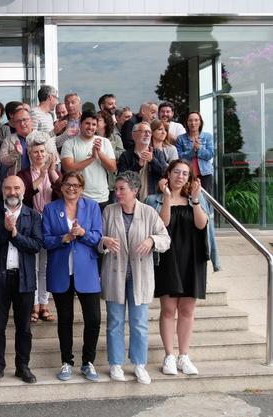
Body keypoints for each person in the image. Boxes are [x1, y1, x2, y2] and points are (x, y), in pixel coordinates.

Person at [99, 171, 170, 384]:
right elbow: (96, 238)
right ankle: (116, 364)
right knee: (115, 322)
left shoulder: (148, 212)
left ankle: (139, 365)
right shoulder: (109, 212)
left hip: (140, 276)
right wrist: (104, 241)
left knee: (139, 323)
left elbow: (165, 239)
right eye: (116, 189)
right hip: (115, 274)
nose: (117, 193)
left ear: (135, 190)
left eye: (122, 189)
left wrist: (151, 240)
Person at [146, 160, 209, 376]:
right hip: (168, 257)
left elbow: (201, 225)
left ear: (189, 178)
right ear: (168, 174)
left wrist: (195, 200)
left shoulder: (196, 199)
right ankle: (169, 356)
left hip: (192, 258)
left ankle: (184, 356)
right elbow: (161, 224)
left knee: (187, 309)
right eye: (176, 172)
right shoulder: (154, 200)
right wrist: (166, 198)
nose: (180, 176)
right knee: (168, 309)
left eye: (184, 173)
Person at [0, 175, 43, 384]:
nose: (12, 192)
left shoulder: (32, 215)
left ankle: (22, 366)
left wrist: (15, 234)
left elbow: (36, 245)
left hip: (24, 279)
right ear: (2, 190)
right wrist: (6, 233)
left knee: (24, 327)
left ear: (23, 191)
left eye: (16, 188)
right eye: (8, 188)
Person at [42, 171, 103, 382]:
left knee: (94, 318)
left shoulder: (92, 207)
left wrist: (83, 233)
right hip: (61, 270)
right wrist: (64, 238)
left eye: (76, 185)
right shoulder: (50, 209)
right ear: (61, 187)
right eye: (68, 184)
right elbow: (46, 240)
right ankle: (66, 362)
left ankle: (88, 362)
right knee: (65, 319)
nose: (72, 188)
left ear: (82, 188)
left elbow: (97, 236)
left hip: (86, 270)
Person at [16, 139, 61, 324]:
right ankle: (33, 305)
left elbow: (62, 193)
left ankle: (44, 304)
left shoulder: (54, 173)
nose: (39, 155)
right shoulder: (23, 174)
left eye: (42, 151)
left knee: (46, 266)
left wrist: (50, 174)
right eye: (35, 152)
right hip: (31, 222)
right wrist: (41, 177)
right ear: (29, 154)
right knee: (32, 266)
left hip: (50, 223)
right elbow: (24, 195)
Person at [60, 111, 116, 208]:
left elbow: (112, 168)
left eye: (94, 124)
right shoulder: (69, 144)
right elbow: (68, 168)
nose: (90, 127)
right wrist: (92, 158)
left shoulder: (105, 142)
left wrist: (99, 153)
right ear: (80, 124)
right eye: (87, 123)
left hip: (101, 197)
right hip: (78, 196)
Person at [117, 122, 170, 202]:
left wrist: (152, 160)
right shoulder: (126, 156)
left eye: (149, 132)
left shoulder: (157, 153)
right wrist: (138, 165)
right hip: (132, 201)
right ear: (134, 135)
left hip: (153, 200)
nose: (147, 134)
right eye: (144, 131)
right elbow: (121, 179)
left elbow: (165, 173)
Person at [175, 112, 214, 192]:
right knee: (187, 196)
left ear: (200, 122)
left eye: (196, 120)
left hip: (205, 173)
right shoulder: (181, 138)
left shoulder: (207, 137)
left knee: (206, 199)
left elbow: (210, 154)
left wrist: (199, 149)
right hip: (187, 174)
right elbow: (179, 157)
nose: (193, 123)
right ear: (187, 123)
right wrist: (192, 151)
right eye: (190, 120)